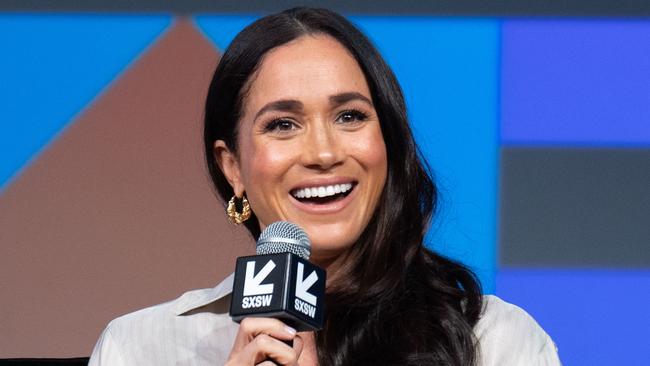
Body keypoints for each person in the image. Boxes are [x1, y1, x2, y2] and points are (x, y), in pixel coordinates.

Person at [89, 7, 561, 366]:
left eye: (350, 116)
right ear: (232, 166)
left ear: (388, 144)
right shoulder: (139, 347)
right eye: (282, 124)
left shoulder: (494, 340)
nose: (323, 152)